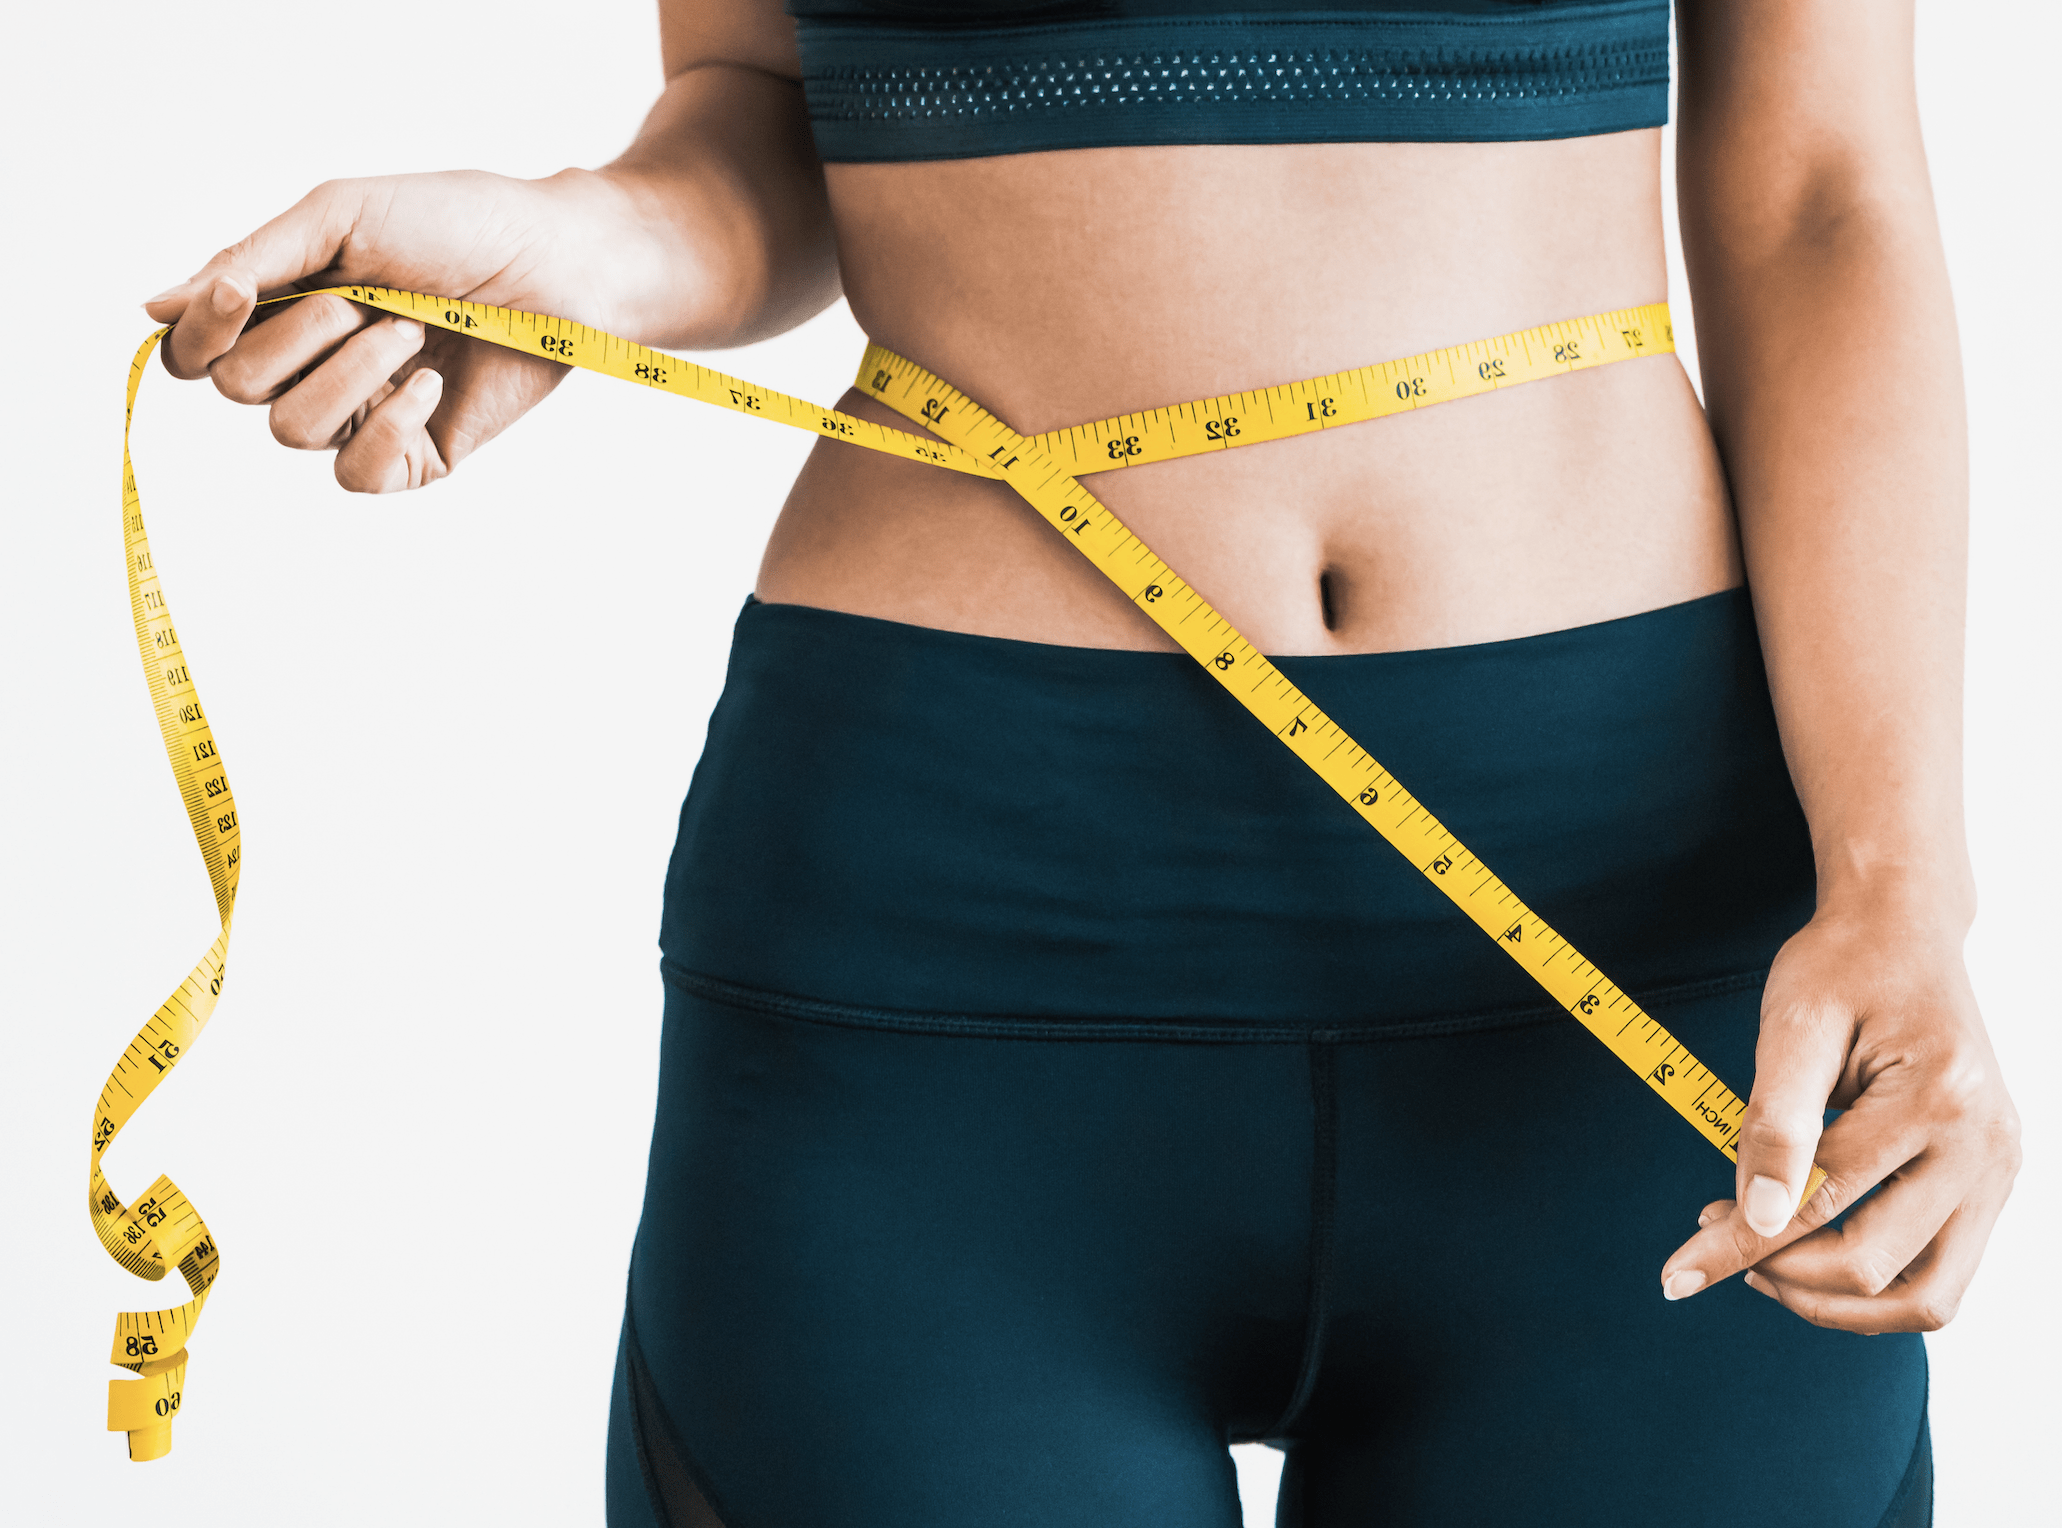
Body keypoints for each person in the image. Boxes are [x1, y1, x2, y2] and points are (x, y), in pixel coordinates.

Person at [141, 0, 2018, 1522]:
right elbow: (755, 104)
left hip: (1636, 926)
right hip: (943, 952)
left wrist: (1897, 890)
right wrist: (586, 243)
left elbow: (1819, 189)